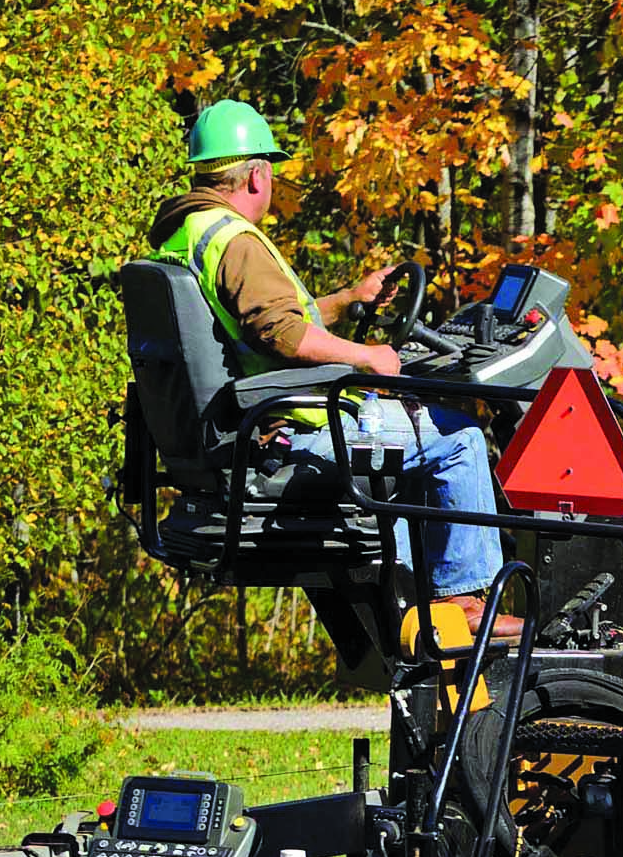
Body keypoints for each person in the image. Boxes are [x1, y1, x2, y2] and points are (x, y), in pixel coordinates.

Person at [146, 97, 505, 637]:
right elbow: (282, 334)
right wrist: (368, 357)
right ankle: (467, 605)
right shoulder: (236, 240)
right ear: (256, 175)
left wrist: (348, 300)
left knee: (412, 446)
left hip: (244, 426)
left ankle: (409, 599)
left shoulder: (189, 234)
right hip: (291, 428)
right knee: (460, 439)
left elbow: (261, 321)